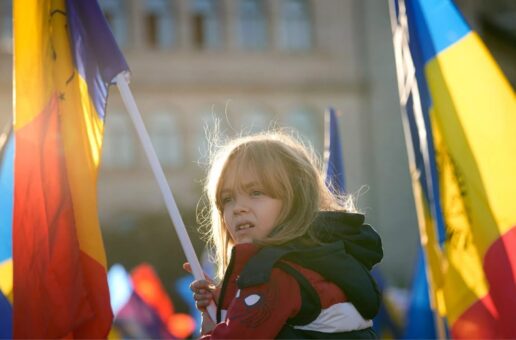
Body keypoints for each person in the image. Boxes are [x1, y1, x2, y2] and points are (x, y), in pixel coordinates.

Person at [184, 131, 383, 339]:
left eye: (256, 193)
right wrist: (222, 302)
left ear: (295, 200)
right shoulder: (321, 260)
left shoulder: (275, 274)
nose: (238, 208)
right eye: (227, 199)